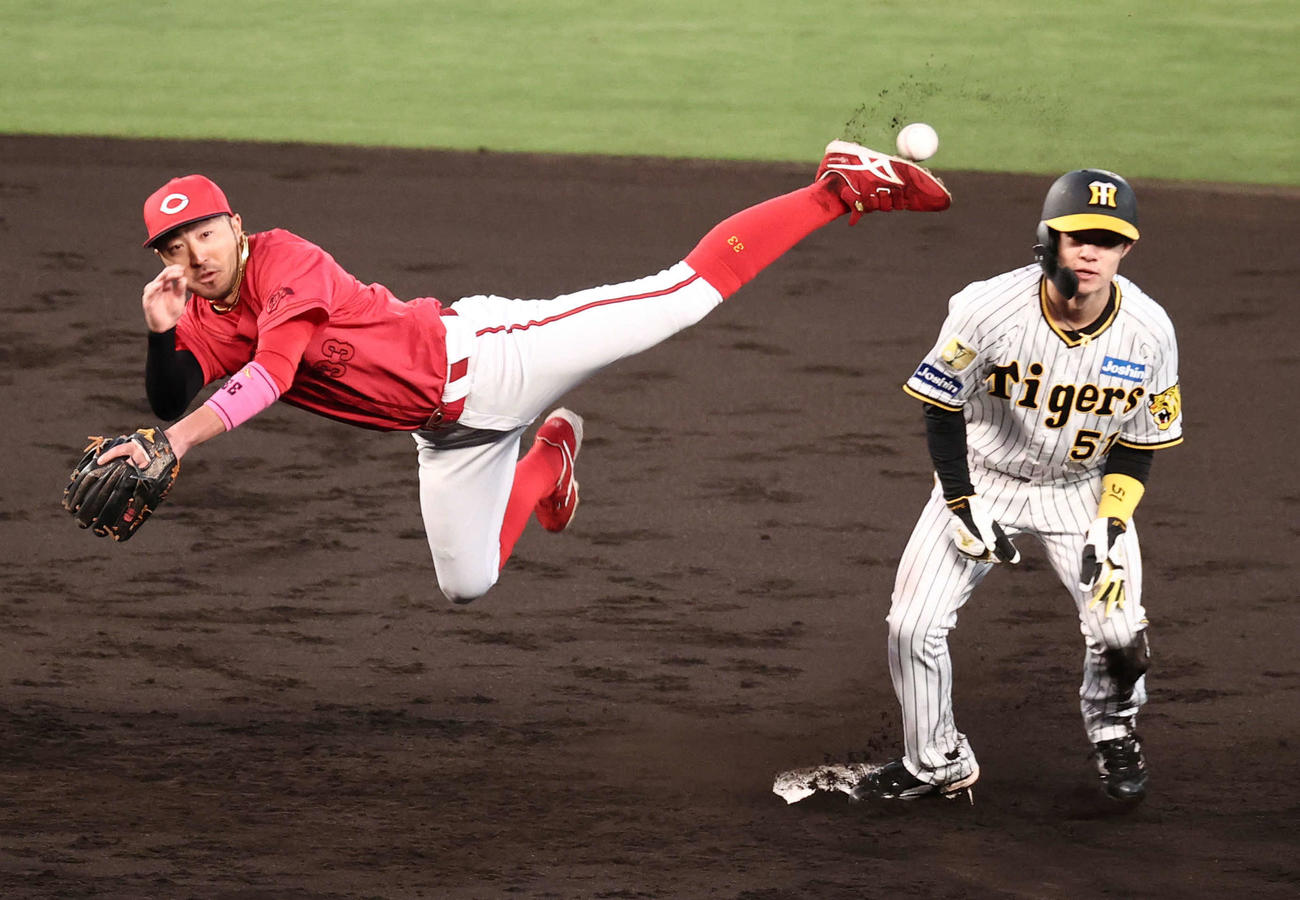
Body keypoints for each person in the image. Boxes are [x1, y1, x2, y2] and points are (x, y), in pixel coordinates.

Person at [91, 140, 952, 603]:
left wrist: (176, 445)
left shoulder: (286, 263)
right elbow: (173, 391)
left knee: (679, 295)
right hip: (446, 435)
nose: (192, 254)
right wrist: (161, 334)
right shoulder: (199, 308)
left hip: (495, 354)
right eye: (175, 245)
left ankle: (840, 186)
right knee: (467, 584)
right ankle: (549, 461)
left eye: (203, 233)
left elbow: (271, 376)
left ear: (234, 224)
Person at [851, 169, 1183, 804]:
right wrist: (959, 499)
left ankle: (1113, 728)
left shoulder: (1149, 330)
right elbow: (941, 404)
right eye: (1077, 236)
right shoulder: (987, 308)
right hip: (983, 478)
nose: (1090, 252)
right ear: (1047, 239)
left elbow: (1141, 443)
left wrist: (1112, 525)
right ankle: (937, 761)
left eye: (1107, 241)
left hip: (1083, 490)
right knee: (910, 628)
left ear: (1126, 250)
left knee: (1118, 634)